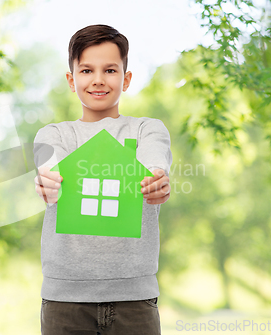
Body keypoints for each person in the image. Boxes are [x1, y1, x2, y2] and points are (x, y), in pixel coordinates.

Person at [33, 24, 172, 335]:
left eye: (110, 70)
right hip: (64, 300)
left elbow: (155, 161)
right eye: (86, 70)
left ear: (126, 78)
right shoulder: (54, 134)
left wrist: (157, 179)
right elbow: (48, 164)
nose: (98, 79)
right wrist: (47, 180)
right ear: (72, 80)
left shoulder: (146, 129)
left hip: (135, 299)